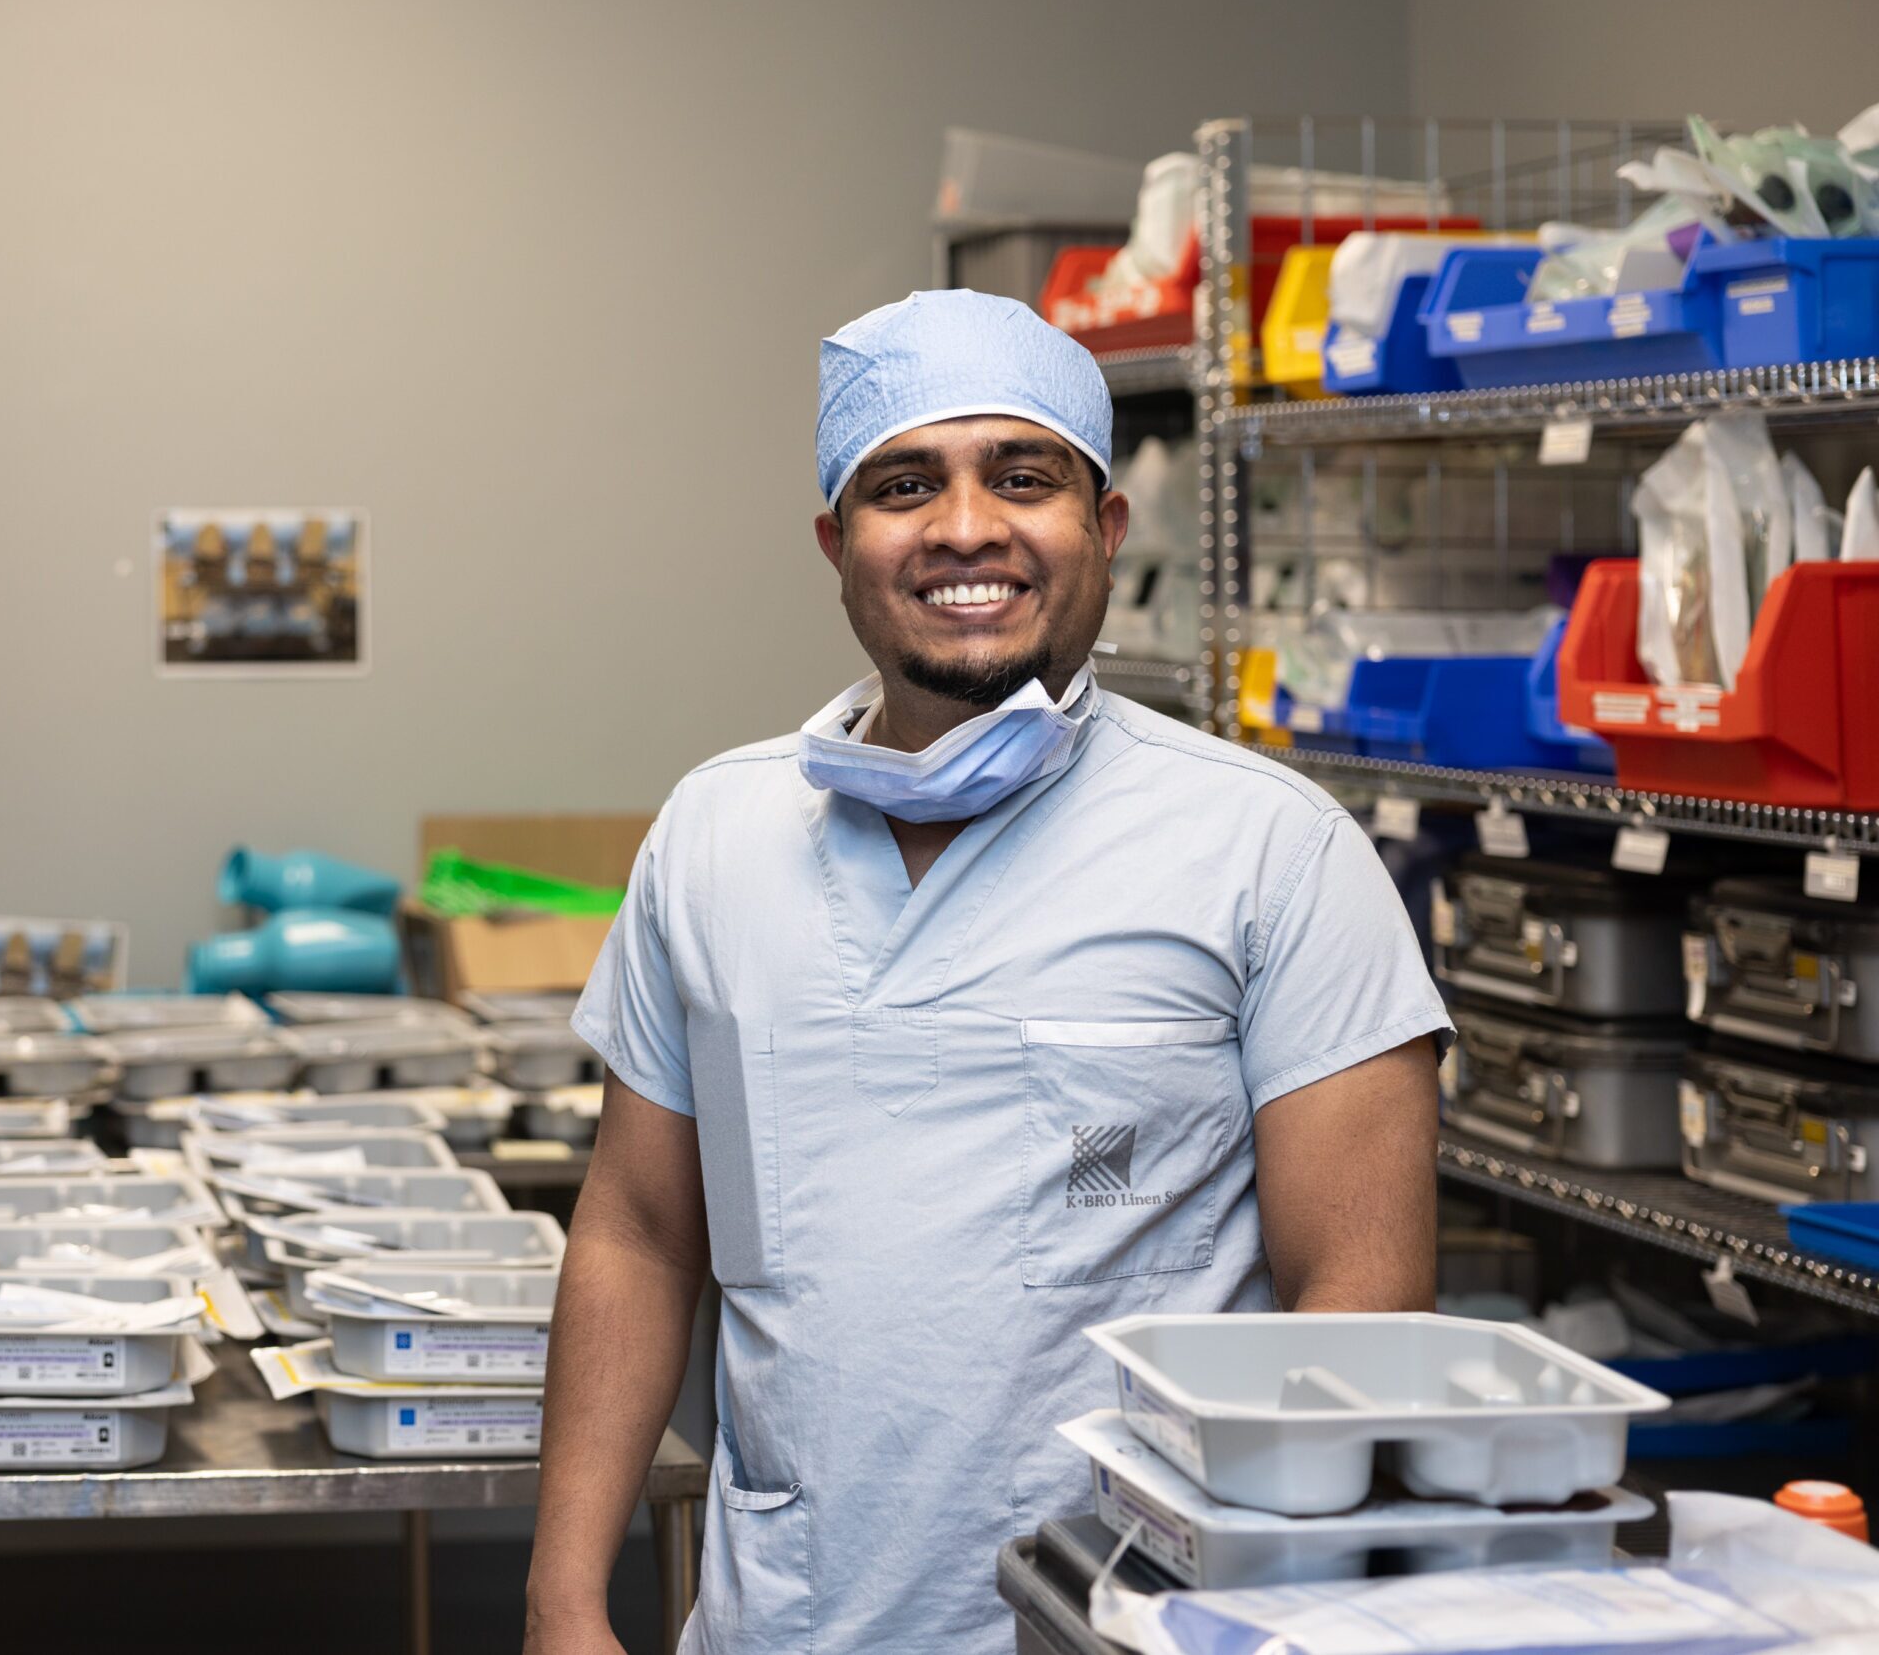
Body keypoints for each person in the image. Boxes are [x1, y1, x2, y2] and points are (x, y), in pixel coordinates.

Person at [522, 290, 1449, 1655]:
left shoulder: (1273, 855)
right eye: (906, 486)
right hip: (786, 1618)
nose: (966, 527)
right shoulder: (715, 839)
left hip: (1129, 1626)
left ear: (1105, 529)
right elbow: (642, 1235)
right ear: (839, 546)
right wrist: (562, 1600)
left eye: (1024, 477)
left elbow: (1359, 1310)